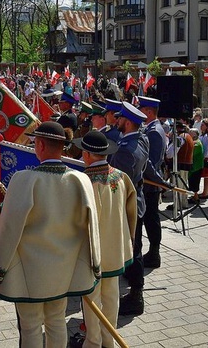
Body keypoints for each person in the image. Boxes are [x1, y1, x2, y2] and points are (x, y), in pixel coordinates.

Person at [0, 121, 100, 348]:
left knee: (30, 326)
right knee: (57, 321)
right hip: (64, 270)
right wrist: (94, 265)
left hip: (30, 272)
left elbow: (8, 229)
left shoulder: (24, 180)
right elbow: (93, 228)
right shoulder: (80, 180)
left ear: (39, 145)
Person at [73, 130, 136, 348]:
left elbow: (78, 220)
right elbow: (131, 213)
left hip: (92, 251)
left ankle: (93, 342)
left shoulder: (83, 181)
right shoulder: (121, 176)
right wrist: (128, 241)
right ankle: (108, 340)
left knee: (91, 300)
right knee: (111, 296)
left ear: (88, 154)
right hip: (116, 249)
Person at [109, 102, 149, 316]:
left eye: (120, 119)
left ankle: (136, 297)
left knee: (133, 251)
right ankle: (135, 292)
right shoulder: (140, 139)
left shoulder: (126, 151)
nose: (117, 121)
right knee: (135, 248)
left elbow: (117, 183)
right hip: (138, 201)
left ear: (127, 122)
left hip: (127, 205)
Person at [136, 96, 166, 270]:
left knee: (151, 219)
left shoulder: (154, 131)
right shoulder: (151, 128)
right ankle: (153, 253)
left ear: (148, 111)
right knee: (150, 218)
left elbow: (151, 162)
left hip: (150, 183)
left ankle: (155, 253)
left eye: (141, 109)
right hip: (149, 181)